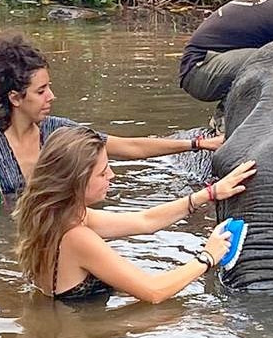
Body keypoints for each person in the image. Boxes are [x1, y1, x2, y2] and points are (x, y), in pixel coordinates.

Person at [0, 32, 223, 213]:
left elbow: (127, 146)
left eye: (49, 86)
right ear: (15, 98)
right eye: (41, 91)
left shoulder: (58, 132)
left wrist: (195, 144)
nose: (51, 96)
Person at [14, 126, 257, 303]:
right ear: (76, 181)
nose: (112, 176)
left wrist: (210, 193)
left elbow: (145, 221)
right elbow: (153, 292)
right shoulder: (76, 237)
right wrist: (207, 257)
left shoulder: (55, 215)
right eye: (102, 173)